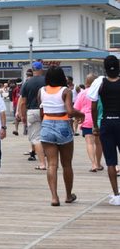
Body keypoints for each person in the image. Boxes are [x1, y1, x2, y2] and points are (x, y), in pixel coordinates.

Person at [38, 66, 84, 206]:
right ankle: (68, 195)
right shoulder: (66, 91)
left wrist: (45, 123)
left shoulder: (41, 90)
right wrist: (81, 114)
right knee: (66, 164)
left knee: (52, 164)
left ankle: (54, 197)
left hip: (46, 125)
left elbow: (41, 110)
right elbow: (69, 111)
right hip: (62, 125)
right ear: (62, 77)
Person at [89, 55, 120, 205]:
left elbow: (93, 106)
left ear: (105, 68)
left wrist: (95, 125)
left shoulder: (100, 83)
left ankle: (116, 195)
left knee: (111, 162)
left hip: (107, 123)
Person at [19, 61, 47, 170]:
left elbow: (22, 102)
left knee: (36, 138)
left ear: (33, 70)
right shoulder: (46, 81)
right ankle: (53, 161)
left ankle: (42, 163)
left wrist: (23, 116)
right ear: (41, 69)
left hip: (32, 111)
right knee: (47, 136)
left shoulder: (27, 83)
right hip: (45, 111)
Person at [75, 74, 104, 172]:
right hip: (99, 119)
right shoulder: (100, 91)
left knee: (89, 143)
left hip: (86, 119)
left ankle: (93, 164)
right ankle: (99, 163)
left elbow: (76, 108)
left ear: (86, 82)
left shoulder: (82, 93)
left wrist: (78, 117)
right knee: (98, 143)